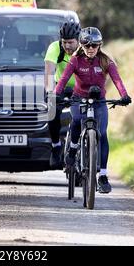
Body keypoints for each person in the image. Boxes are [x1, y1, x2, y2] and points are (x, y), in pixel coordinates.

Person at [54, 27, 132, 193]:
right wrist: (56, 94)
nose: (90, 48)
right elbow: (63, 79)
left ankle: (103, 175)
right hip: (79, 98)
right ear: (81, 45)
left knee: (102, 134)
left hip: (99, 102)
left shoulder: (106, 61)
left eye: (94, 45)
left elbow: (117, 80)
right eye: (86, 45)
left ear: (99, 45)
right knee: (75, 120)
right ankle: (73, 149)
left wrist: (124, 95)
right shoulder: (75, 61)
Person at [44, 20, 81, 169]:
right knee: (52, 111)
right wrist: (49, 92)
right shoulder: (55, 48)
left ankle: (90, 150)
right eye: (64, 42)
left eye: (70, 42)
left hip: (81, 88)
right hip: (62, 87)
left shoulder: (86, 49)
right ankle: (56, 146)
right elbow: (48, 73)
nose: (67, 46)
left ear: (78, 40)